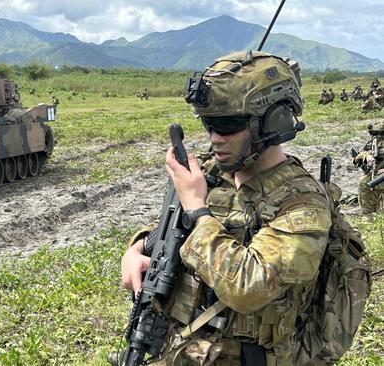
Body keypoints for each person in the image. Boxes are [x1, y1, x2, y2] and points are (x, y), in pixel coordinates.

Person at [118, 51, 333, 365]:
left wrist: (197, 207)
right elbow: (169, 226)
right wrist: (137, 248)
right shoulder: (211, 175)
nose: (215, 138)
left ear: (273, 120)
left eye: (228, 125)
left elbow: (248, 287)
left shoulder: (302, 202)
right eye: (209, 125)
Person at [354, 122, 384, 213]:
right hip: (373, 180)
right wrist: (366, 156)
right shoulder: (373, 144)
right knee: (363, 183)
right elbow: (356, 159)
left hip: (379, 179)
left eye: (381, 134)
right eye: (374, 134)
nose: (378, 137)